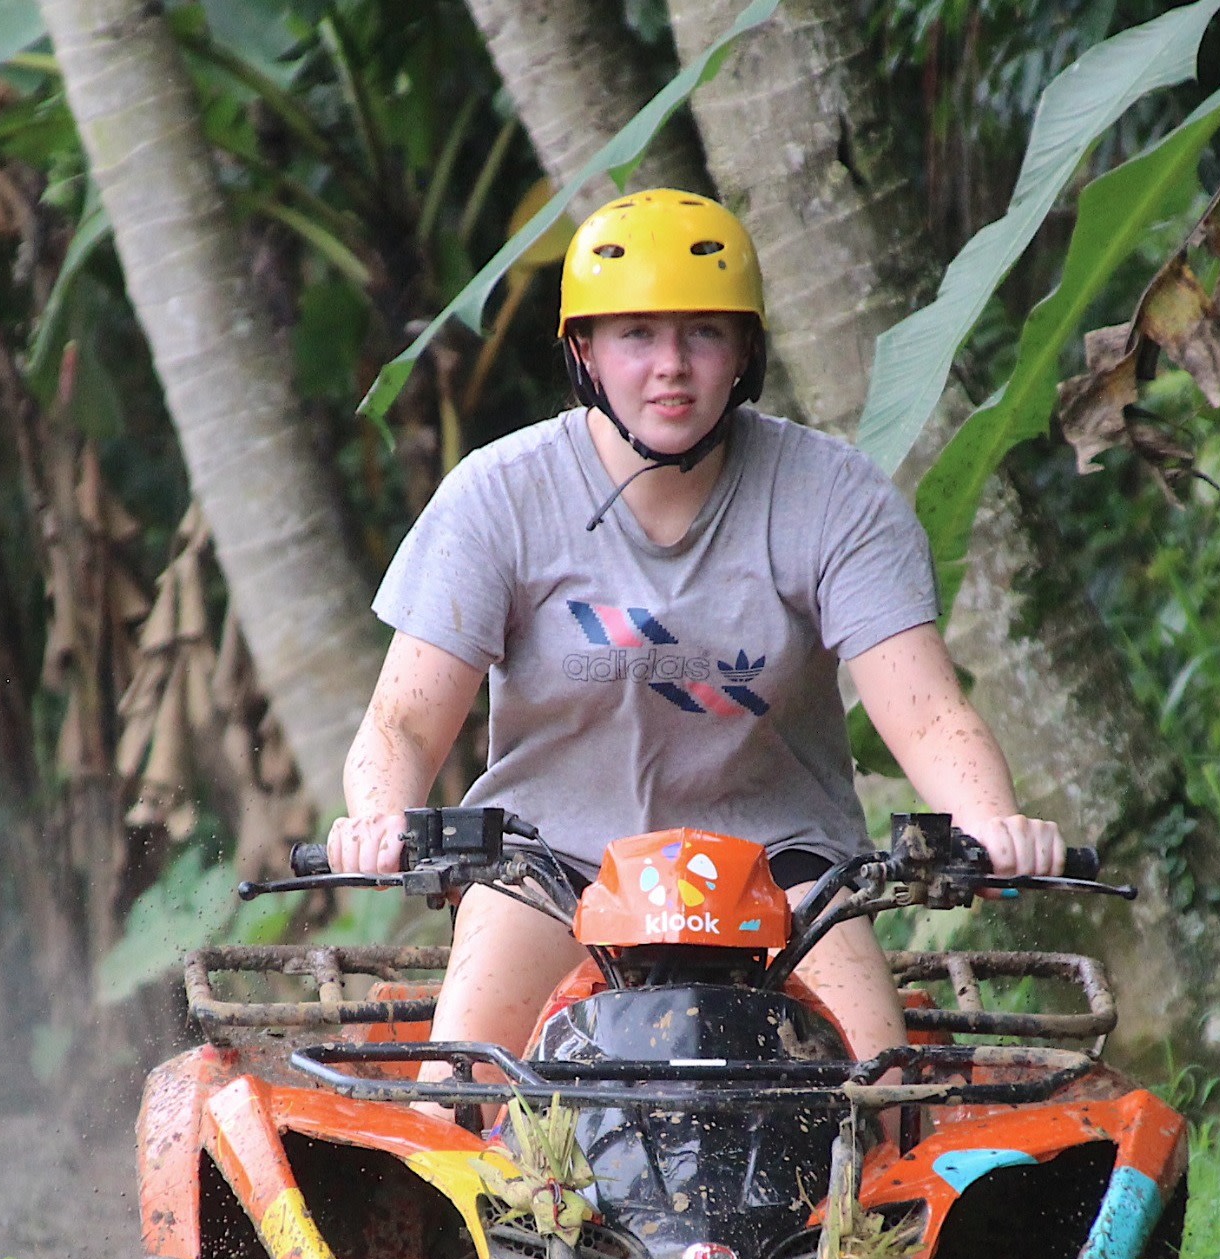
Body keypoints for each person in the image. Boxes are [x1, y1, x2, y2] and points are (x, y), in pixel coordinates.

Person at [325, 189, 1062, 1068]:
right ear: (583, 350)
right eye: (637, 334)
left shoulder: (836, 496)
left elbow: (930, 713)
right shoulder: (499, 496)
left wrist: (990, 819)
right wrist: (376, 819)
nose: (671, 366)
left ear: (746, 350)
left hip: (785, 870)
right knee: (460, 1083)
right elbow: (403, 720)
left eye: (703, 333)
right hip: (547, 866)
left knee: (877, 1085)